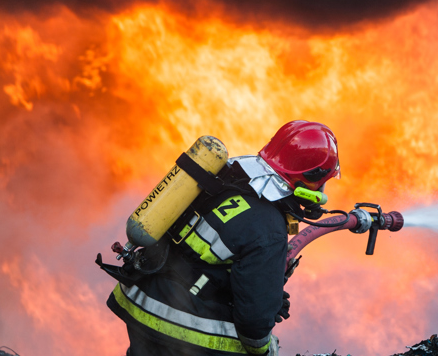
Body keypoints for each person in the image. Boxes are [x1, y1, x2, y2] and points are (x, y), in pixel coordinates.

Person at [106, 120, 341, 356]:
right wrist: (267, 348)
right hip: (176, 323)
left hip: (141, 296)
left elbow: (202, 259)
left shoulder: (230, 178)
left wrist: (264, 294)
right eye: (322, 182)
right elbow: (254, 326)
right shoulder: (269, 228)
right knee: (254, 345)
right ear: (310, 177)